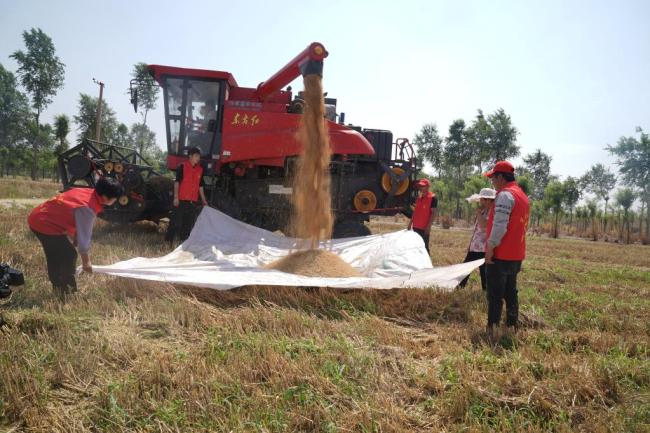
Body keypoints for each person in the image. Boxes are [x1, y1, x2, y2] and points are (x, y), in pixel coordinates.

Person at [28, 177, 124, 298]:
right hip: (43, 223)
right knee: (66, 255)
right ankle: (65, 291)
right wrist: (86, 262)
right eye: (115, 199)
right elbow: (85, 238)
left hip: (42, 216)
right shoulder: (87, 207)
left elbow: (77, 219)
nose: (115, 201)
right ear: (105, 197)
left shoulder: (89, 193)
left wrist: (76, 236)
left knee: (61, 254)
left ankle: (61, 288)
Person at [483, 161, 530, 335]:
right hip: (516, 254)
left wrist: (490, 247)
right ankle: (511, 325)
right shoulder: (522, 196)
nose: (492, 182)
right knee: (511, 292)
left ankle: (492, 328)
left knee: (495, 294)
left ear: (501, 177)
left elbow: (499, 226)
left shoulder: (505, 196)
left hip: (501, 254)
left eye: (493, 178)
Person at [165, 147, 208, 244]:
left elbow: (200, 186)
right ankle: (168, 242)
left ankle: (183, 243)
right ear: (190, 156)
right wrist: (176, 197)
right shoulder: (182, 167)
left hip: (192, 201)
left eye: (199, 157)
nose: (198, 158)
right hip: (181, 200)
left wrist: (204, 200)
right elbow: (177, 183)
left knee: (188, 224)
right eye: (196, 156)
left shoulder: (200, 170)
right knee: (175, 222)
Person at [458, 187, 496, 290]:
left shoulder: (493, 212)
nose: (480, 202)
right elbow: (477, 230)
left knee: (469, 268)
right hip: (476, 247)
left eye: (481, 199)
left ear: (487, 200)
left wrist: (478, 213)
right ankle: (484, 289)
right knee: (477, 269)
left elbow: (484, 225)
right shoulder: (485, 211)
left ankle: (461, 287)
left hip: (483, 248)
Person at [407, 178, 438, 255]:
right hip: (415, 226)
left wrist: (428, 226)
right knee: (415, 247)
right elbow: (415, 212)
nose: (421, 188)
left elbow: (433, 213)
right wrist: (410, 223)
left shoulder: (433, 198)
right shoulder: (419, 198)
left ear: (428, 187)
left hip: (424, 228)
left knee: (425, 247)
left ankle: (428, 265)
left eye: (423, 186)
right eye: (420, 186)